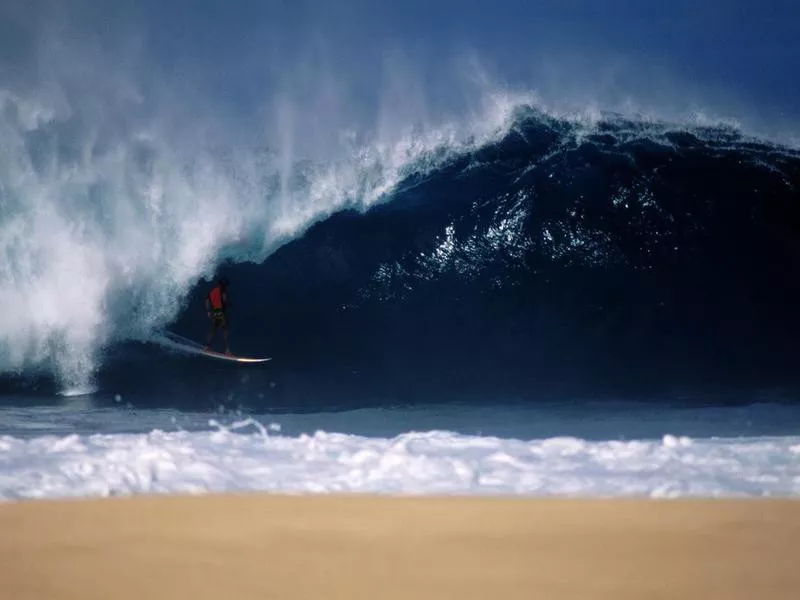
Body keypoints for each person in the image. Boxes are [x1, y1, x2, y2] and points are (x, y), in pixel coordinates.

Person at [204, 277, 232, 355]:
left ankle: (207, 347)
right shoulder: (223, 291)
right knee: (225, 331)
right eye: (226, 285)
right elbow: (224, 300)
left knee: (213, 331)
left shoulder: (212, 291)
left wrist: (208, 311)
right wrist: (229, 304)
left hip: (214, 313)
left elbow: (206, 300)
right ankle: (227, 350)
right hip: (221, 313)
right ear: (224, 285)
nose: (226, 286)